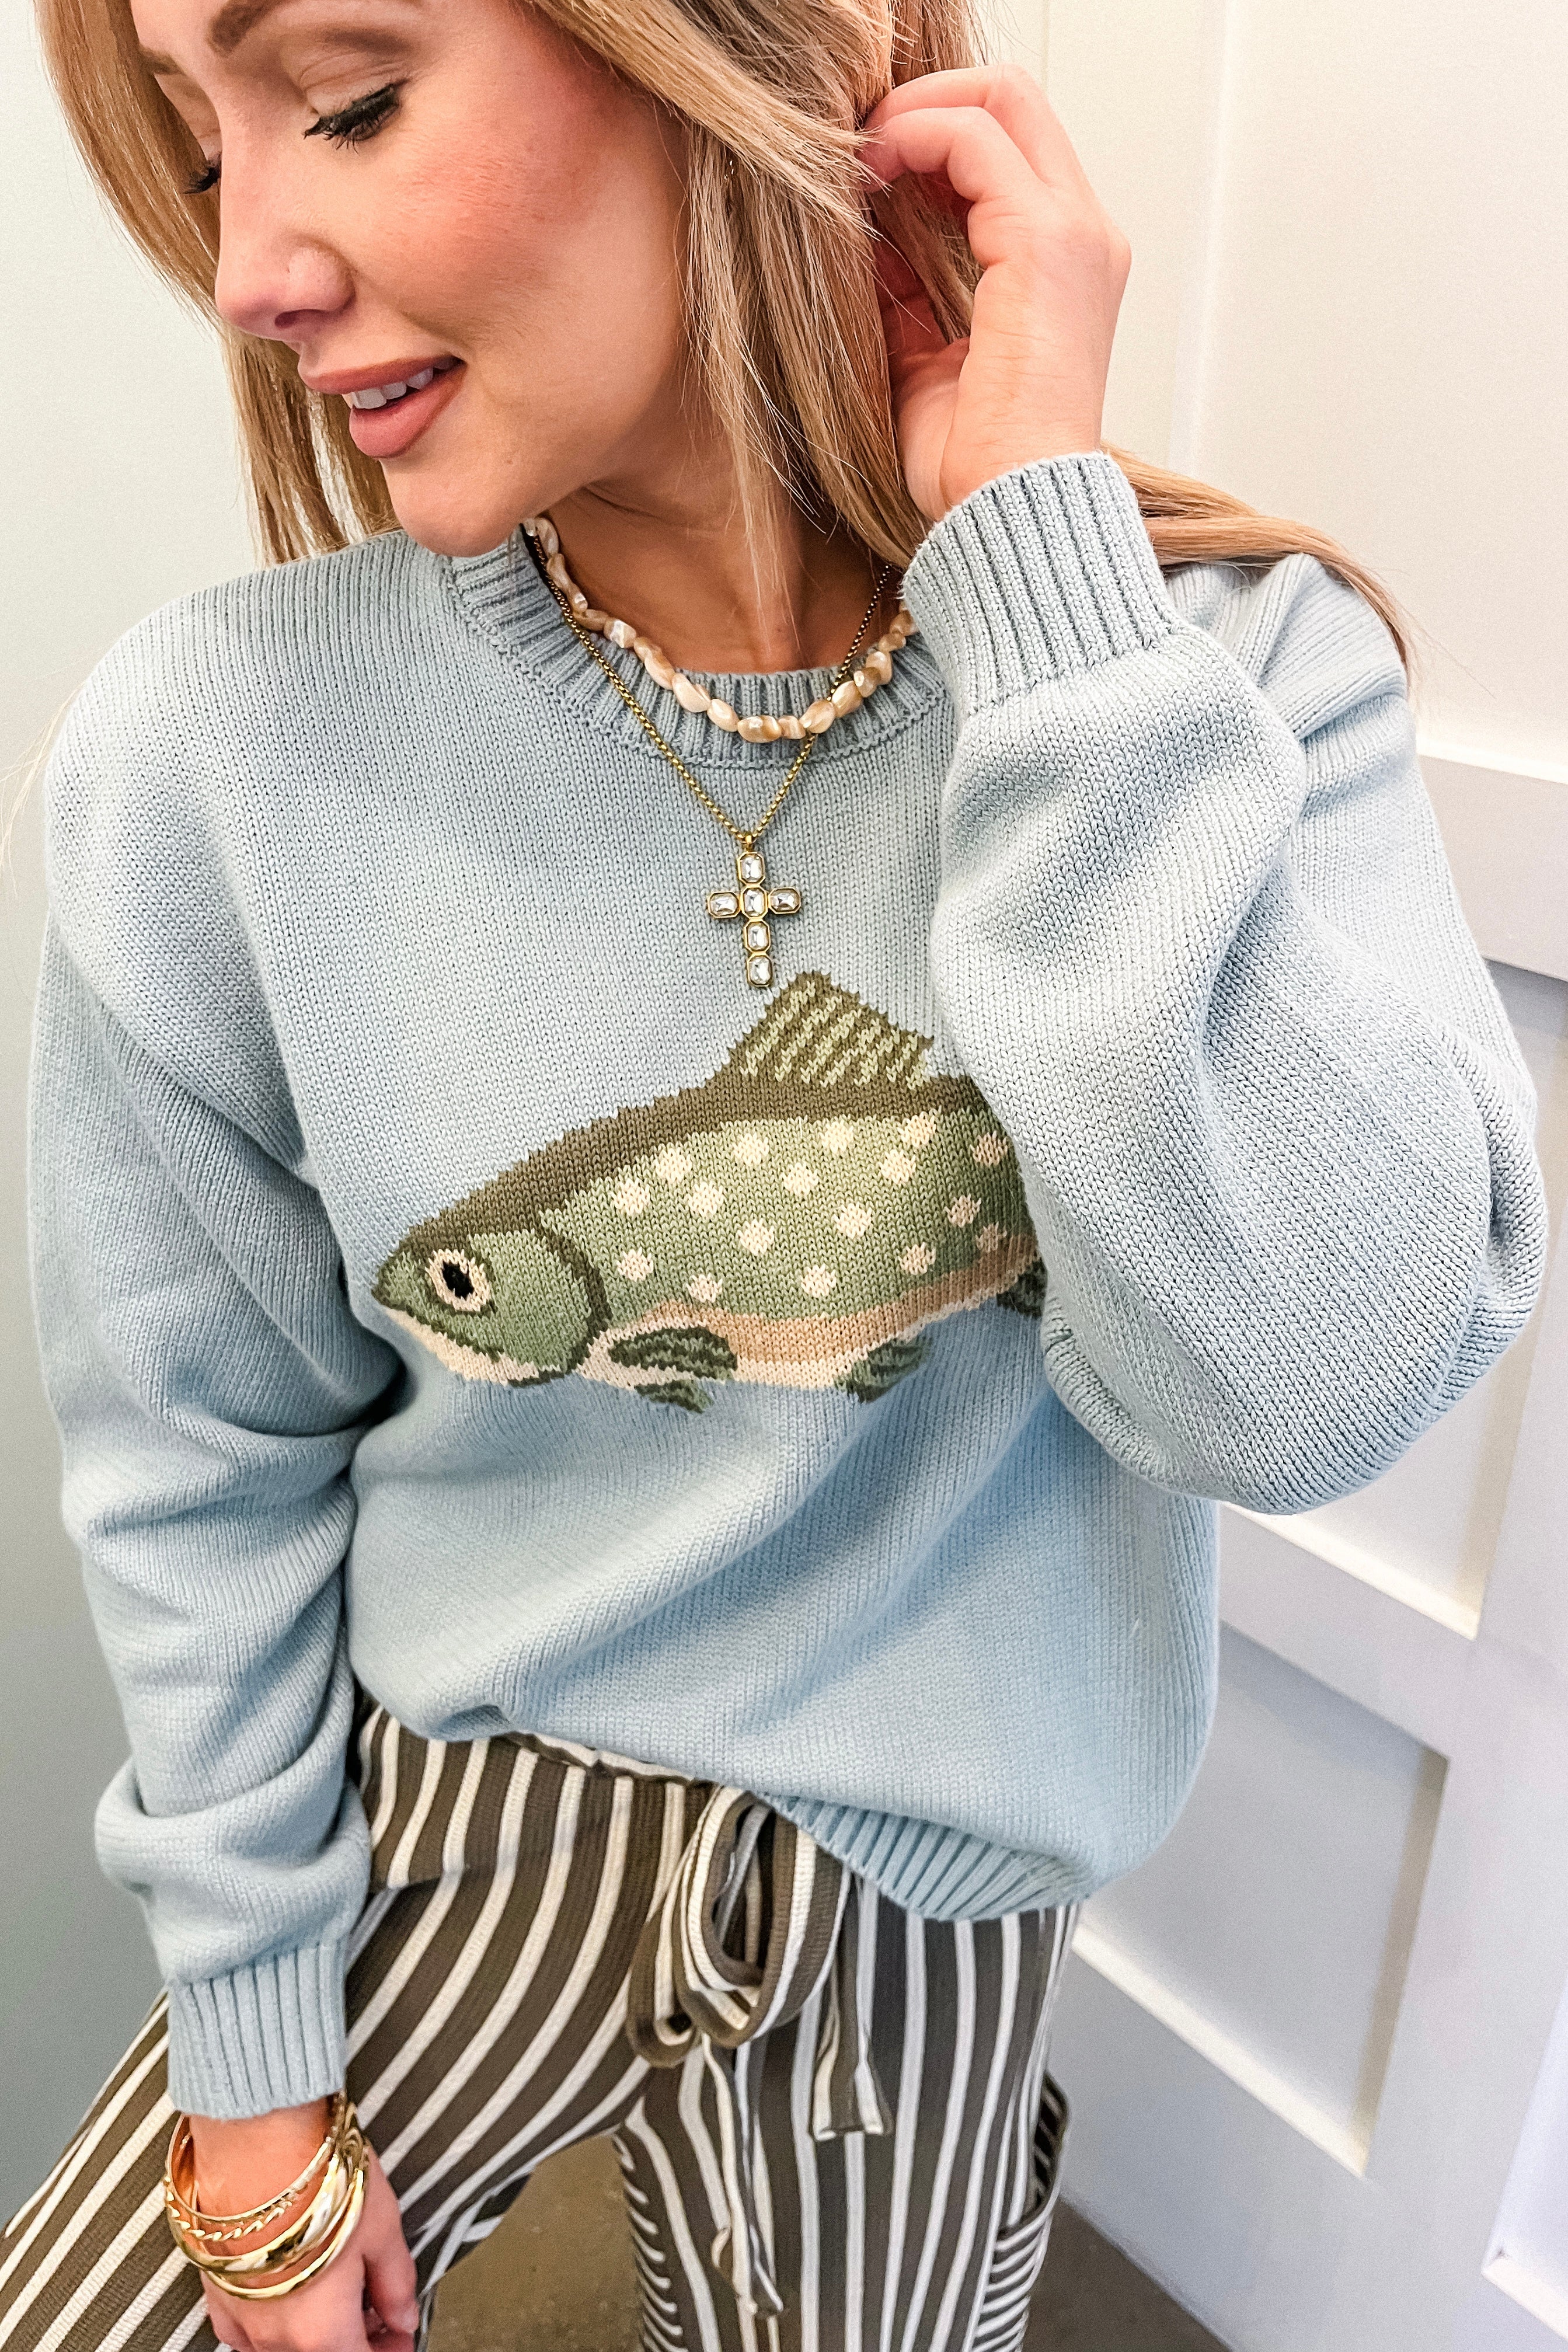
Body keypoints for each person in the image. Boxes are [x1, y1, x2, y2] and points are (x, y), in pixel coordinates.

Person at [2, 0, 1548, 2341]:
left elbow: (1302, 1390)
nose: (248, 276)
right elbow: (194, 1457)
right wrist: (249, 2071)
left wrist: (1041, 598)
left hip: (936, 1909)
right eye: (206, 158)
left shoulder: (1228, 682)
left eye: (347, 98)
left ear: (733, 52)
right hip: (451, 1840)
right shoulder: (213, 751)